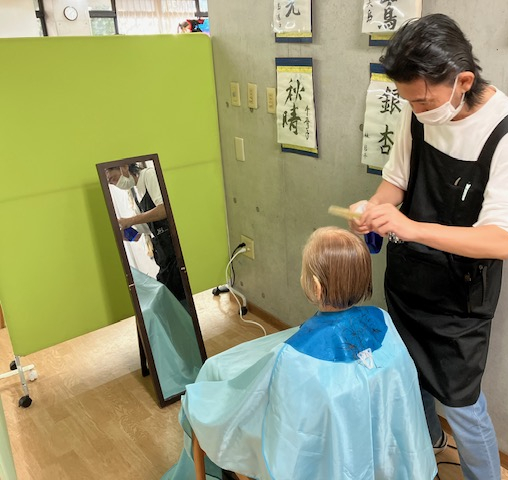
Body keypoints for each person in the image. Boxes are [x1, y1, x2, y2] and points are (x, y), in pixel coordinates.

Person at [350, 14, 508, 480]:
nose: (416, 109)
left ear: (463, 81)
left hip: (460, 301)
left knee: (464, 407)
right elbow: (396, 182)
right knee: (410, 376)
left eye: (423, 100)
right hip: (409, 282)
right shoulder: (418, 111)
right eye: (408, 100)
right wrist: (374, 210)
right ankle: (428, 445)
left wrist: (411, 227)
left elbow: (501, 240)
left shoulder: (507, 131)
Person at [162, 226, 437, 480]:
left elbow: (266, 418)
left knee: (205, 401)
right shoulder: (383, 319)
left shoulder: (294, 357)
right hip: (377, 444)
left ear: (316, 287)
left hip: (325, 452)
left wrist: (204, 401)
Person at [106, 163, 185, 302]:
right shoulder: (136, 193)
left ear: (124, 167)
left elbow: (164, 209)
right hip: (163, 253)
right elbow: (138, 233)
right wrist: (119, 233)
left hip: (175, 248)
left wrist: (130, 220)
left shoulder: (149, 175)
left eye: (114, 179)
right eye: (111, 183)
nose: (115, 184)